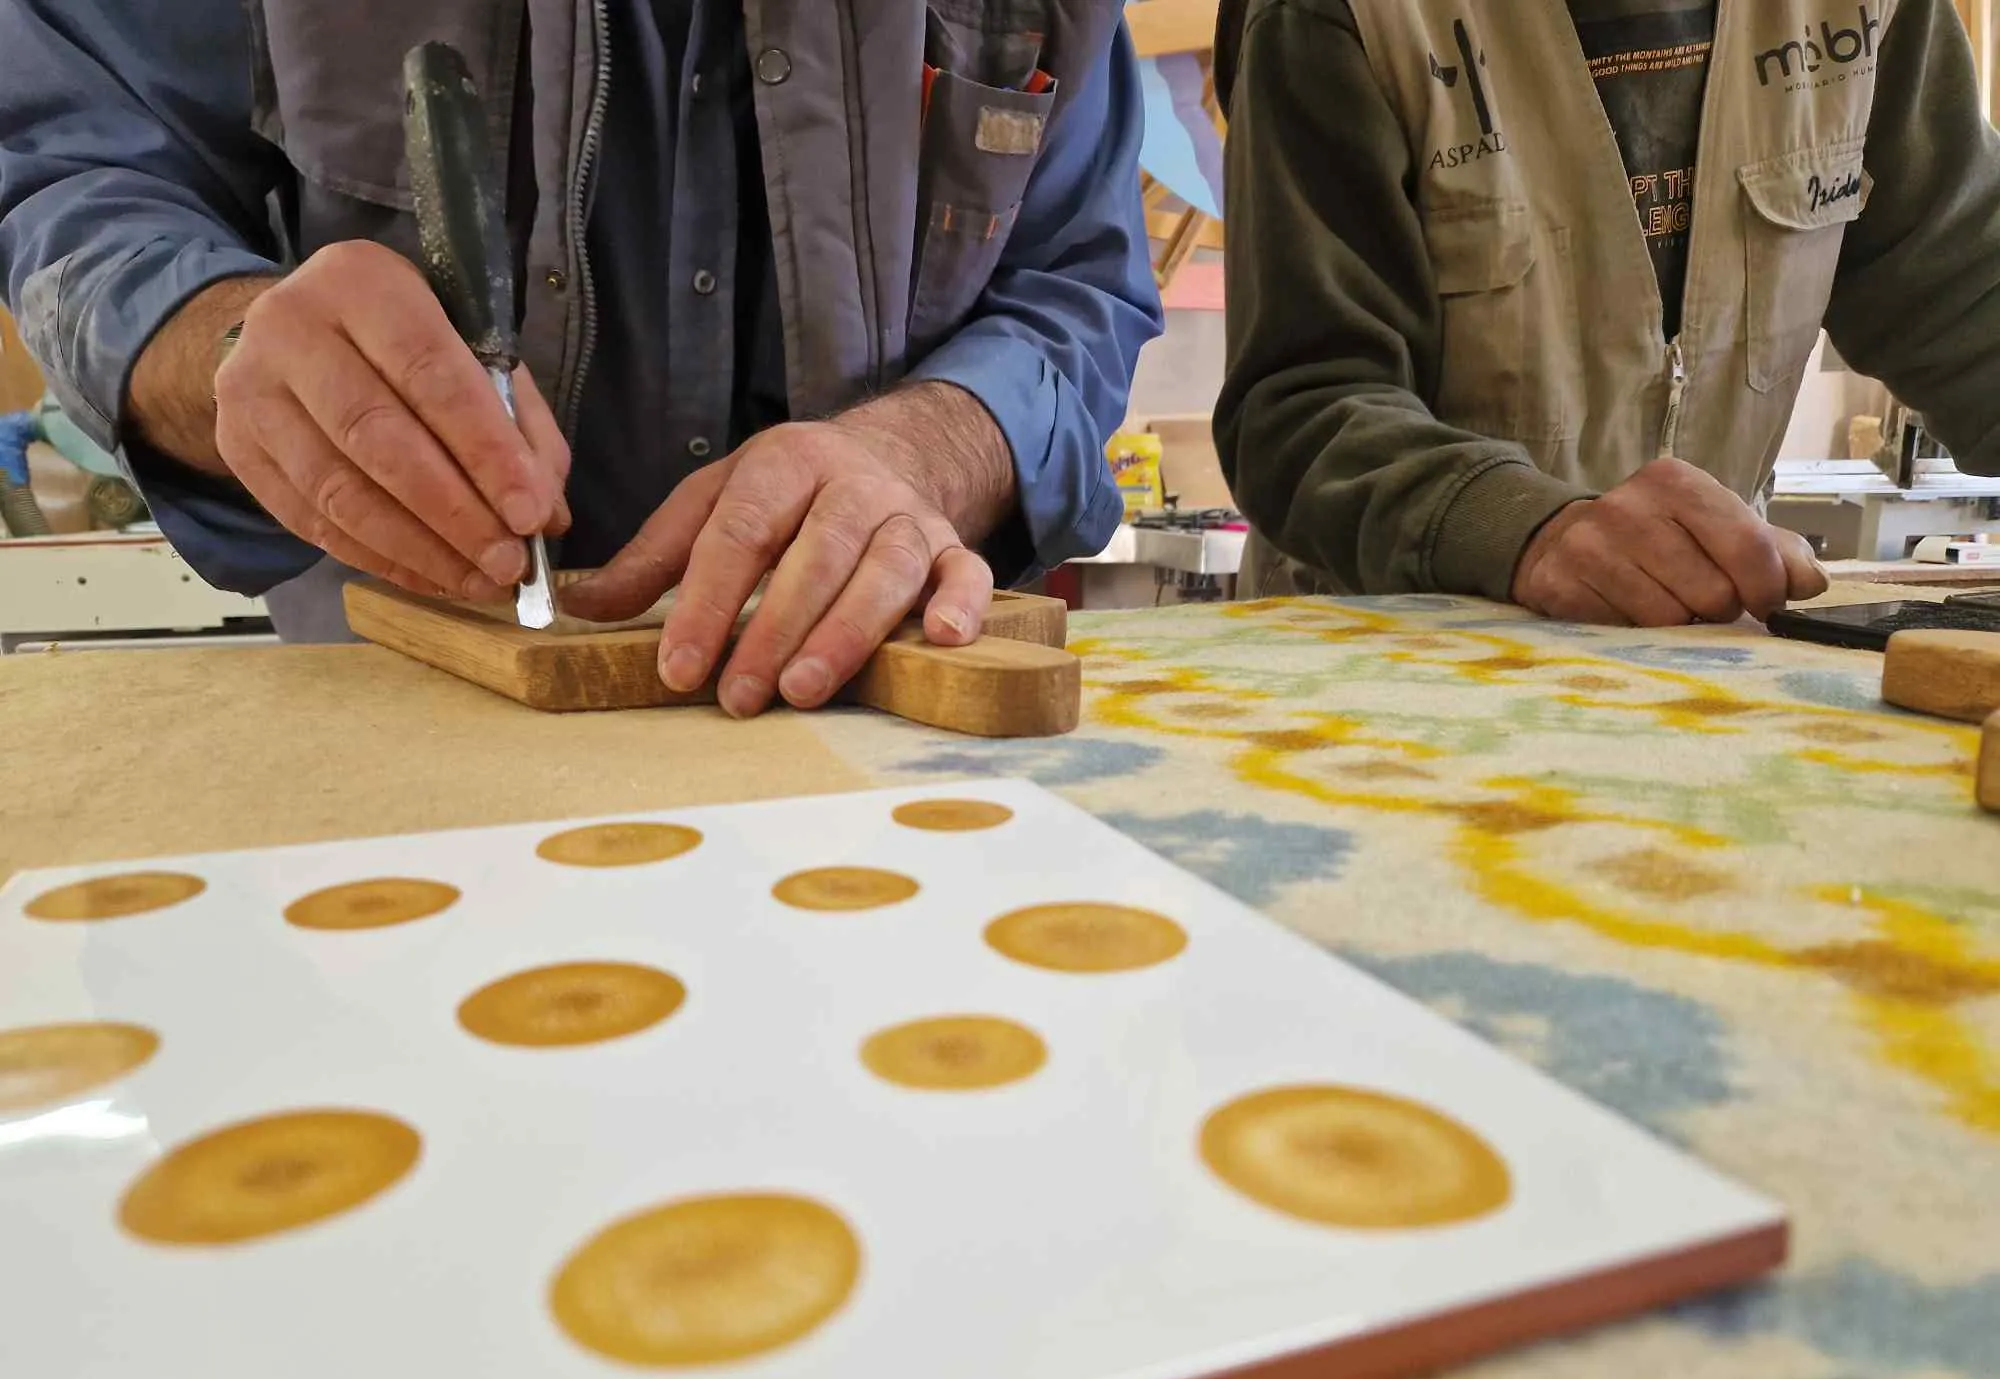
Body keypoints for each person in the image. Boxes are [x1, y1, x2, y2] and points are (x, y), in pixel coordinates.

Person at [0, 0, 1161, 711]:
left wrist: (924, 448)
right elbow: (79, 178)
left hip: (877, 750)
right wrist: (223, 335)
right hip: (408, 744)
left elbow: (1079, 281)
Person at [1212, 0, 2000, 627]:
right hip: (1383, 671)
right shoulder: (1338, 14)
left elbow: (1967, 298)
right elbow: (1305, 407)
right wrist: (1525, 529)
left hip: (1706, 664)